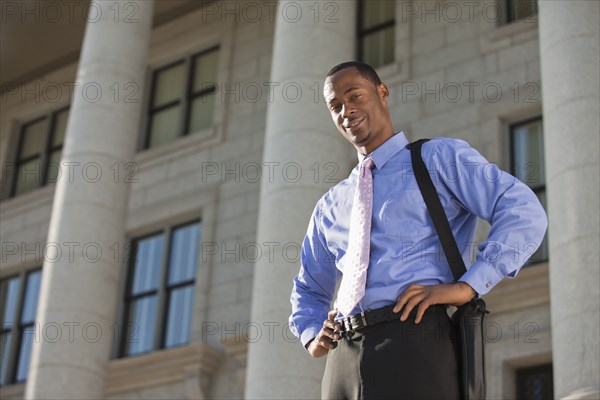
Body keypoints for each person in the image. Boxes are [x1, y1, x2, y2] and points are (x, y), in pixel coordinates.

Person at [289, 61, 548, 399]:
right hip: (342, 358)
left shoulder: (437, 158)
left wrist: (468, 286)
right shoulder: (331, 204)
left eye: (355, 96)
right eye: (335, 106)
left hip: (415, 337)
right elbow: (308, 287)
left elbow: (523, 211)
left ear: (382, 93)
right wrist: (311, 333)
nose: (346, 111)